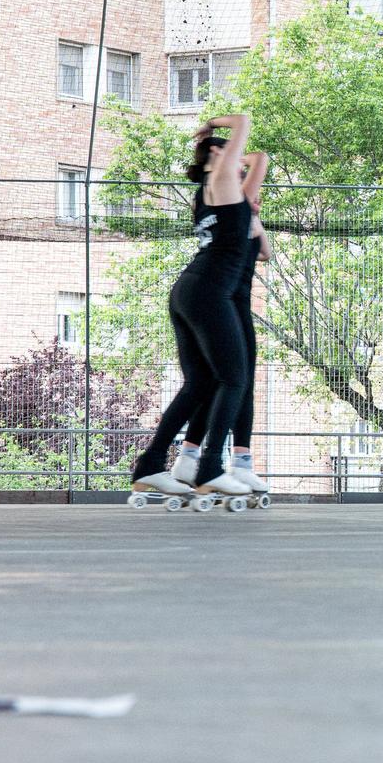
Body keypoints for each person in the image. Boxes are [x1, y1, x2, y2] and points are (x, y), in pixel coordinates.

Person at [128, 114, 260, 504]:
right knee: (233, 379)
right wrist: (214, 126)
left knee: (200, 383)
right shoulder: (219, 181)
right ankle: (209, 471)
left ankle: (150, 466)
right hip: (207, 293)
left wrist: (214, 144)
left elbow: (260, 158)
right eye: (229, 154)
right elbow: (245, 123)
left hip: (190, 291)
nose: (239, 160)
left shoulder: (217, 192)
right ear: (215, 157)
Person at [169, 148, 273, 498]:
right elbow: (261, 158)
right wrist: (228, 157)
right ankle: (201, 457)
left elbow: (265, 251)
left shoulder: (242, 213)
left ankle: (223, 459)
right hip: (222, 300)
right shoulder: (229, 202)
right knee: (227, 381)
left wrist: (254, 217)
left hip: (237, 303)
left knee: (235, 382)